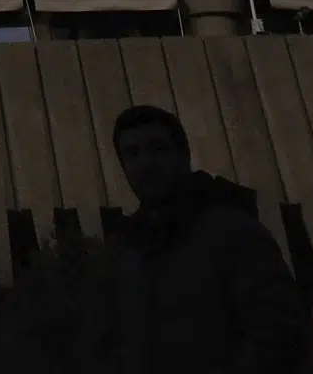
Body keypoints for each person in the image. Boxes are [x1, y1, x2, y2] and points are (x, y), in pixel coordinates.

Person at [105, 104, 301, 374]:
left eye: (157, 149)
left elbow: (276, 333)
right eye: (133, 154)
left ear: (183, 156)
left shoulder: (235, 234)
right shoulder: (125, 254)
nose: (145, 162)